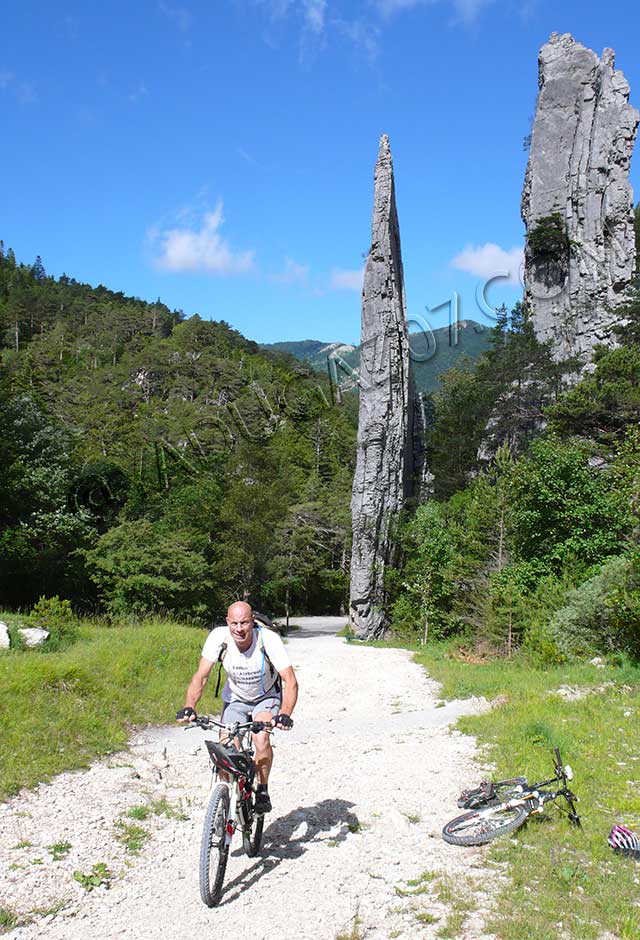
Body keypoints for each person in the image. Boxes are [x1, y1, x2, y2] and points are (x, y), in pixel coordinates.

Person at [176, 601, 298, 814]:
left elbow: (290, 680)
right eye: (234, 623)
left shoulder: (268, 640)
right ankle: (229, 800)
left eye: (244, 623)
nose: (239, 629)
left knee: (261, 738)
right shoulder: (219, 637)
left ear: (252, 622)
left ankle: (262, 789)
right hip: (235, 699)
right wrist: (189, 706)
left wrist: (285, 714)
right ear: (227, 622)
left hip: (266, 697)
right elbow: (201, 676)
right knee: (226, 746)